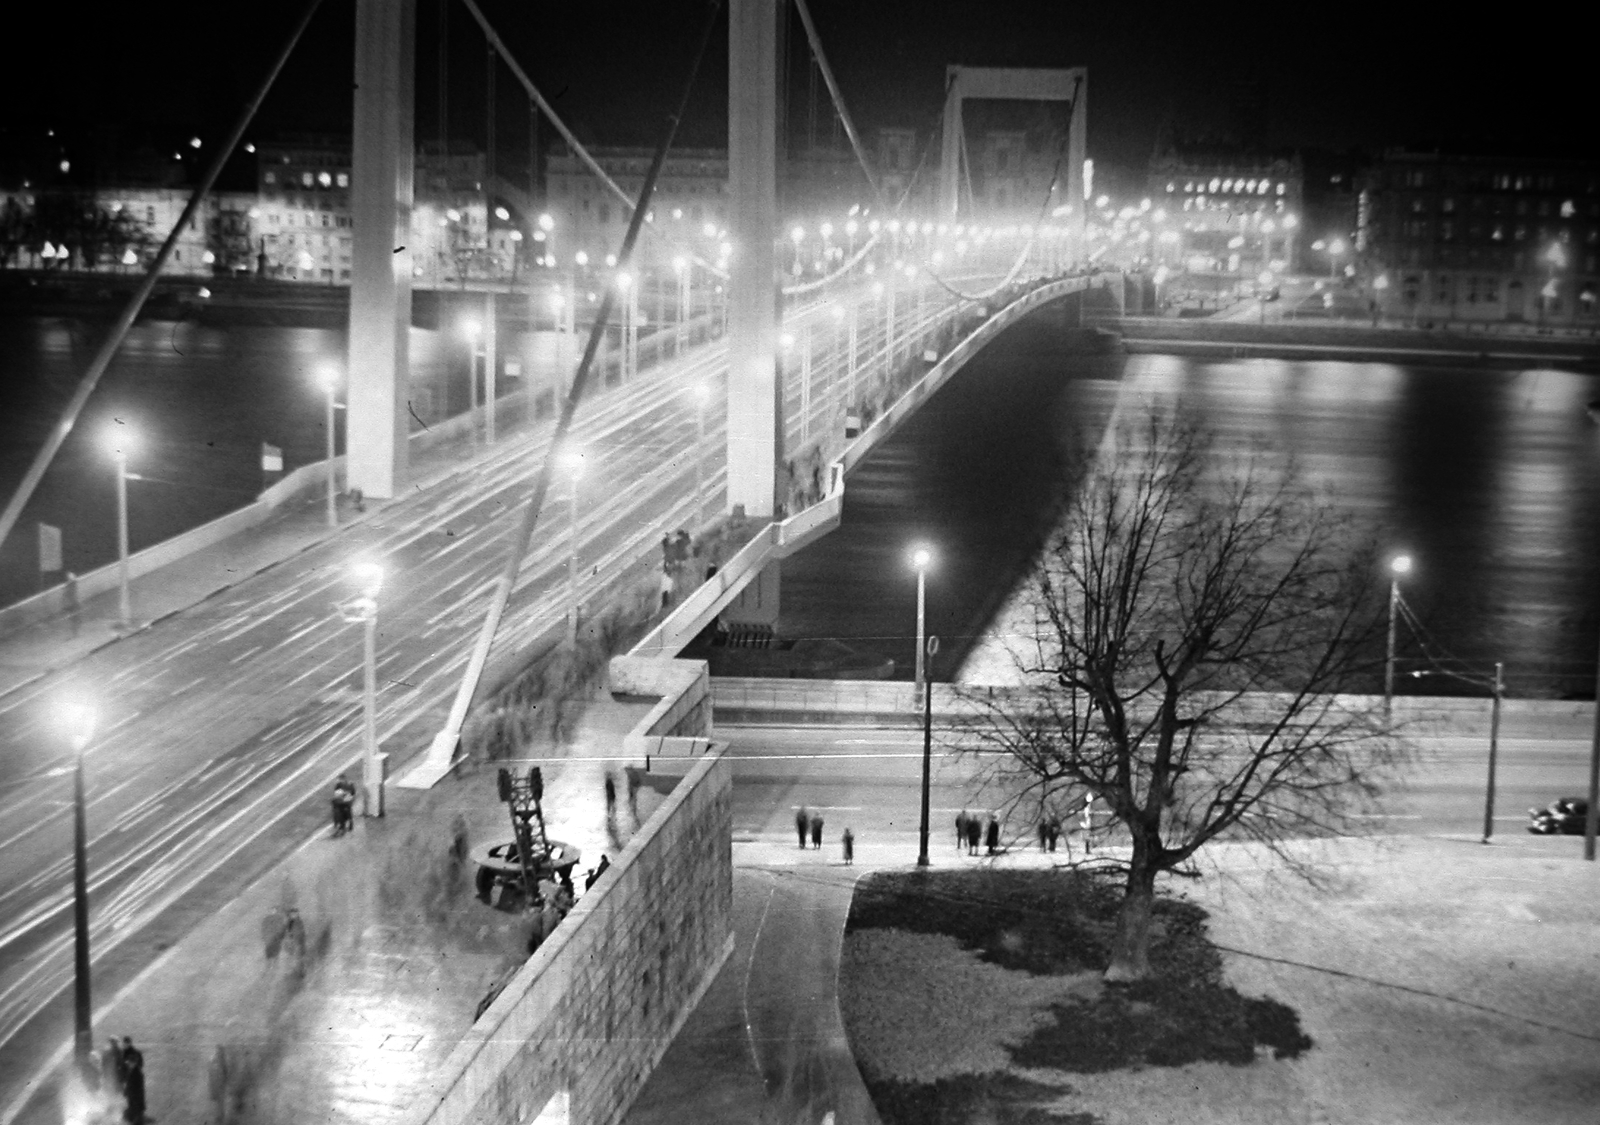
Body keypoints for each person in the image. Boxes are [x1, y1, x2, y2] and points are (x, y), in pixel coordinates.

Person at [119, 1037, 145, 1123]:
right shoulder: (124, 1053)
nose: (124, 1045)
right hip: (133, 1099)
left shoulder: (136, 1074)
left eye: (129, 1063)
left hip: (135, 1102)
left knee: (134, 1118)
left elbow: (137, 1090)